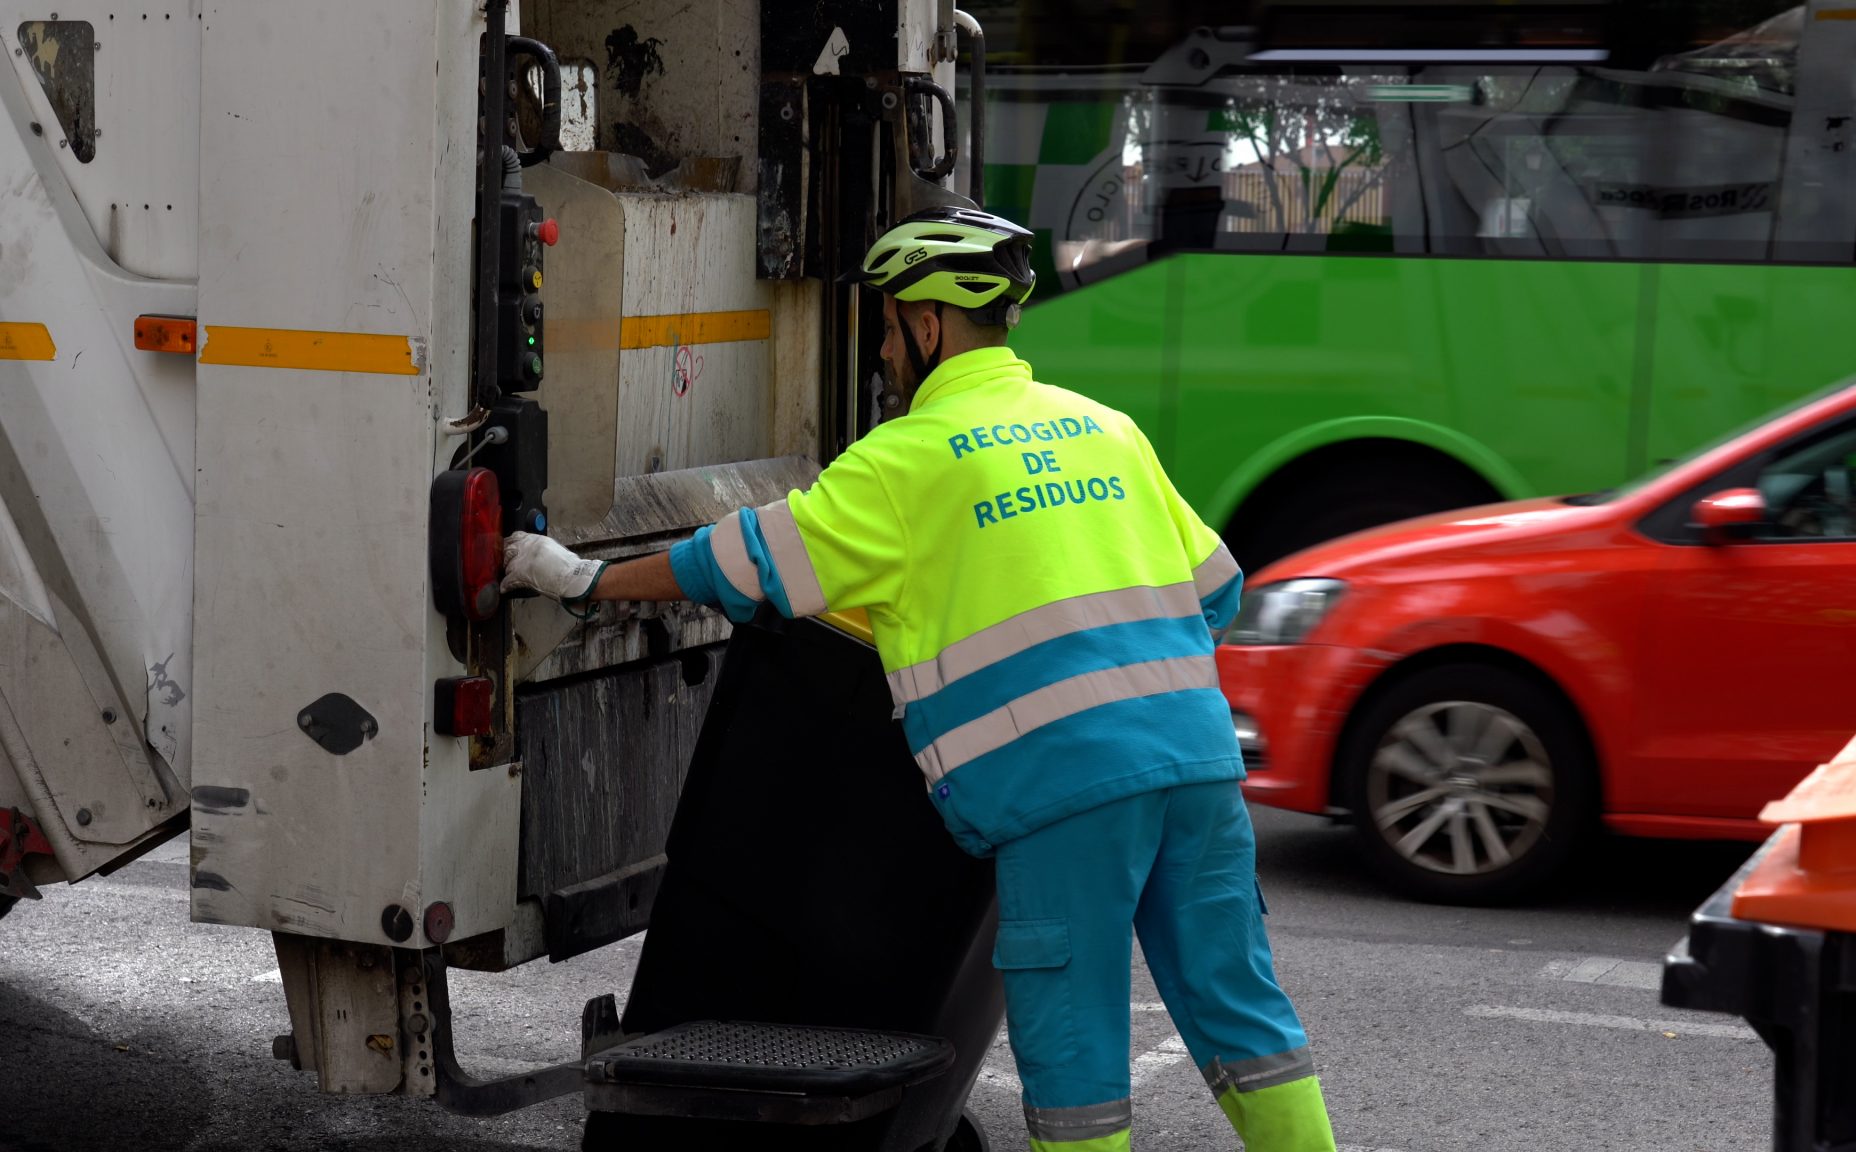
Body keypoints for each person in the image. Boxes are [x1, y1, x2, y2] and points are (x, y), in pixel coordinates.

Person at [502, 206, 1338, 1152]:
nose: (886, 353)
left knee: (1078, 1056)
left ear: (929, 327)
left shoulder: (905, 462)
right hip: (1195, 768)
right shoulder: (1106, 431)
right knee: (1244, 1016)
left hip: (1066, 793)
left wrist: (584, 579)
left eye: (890, 328)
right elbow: (1215, 591)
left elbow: (735, 565)